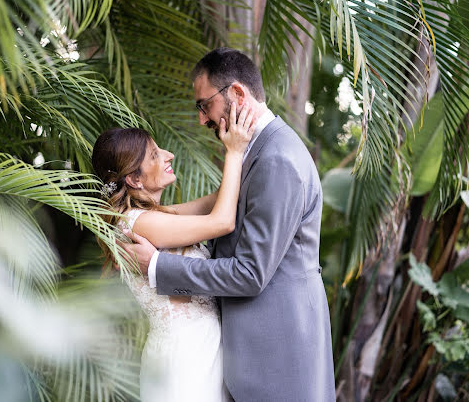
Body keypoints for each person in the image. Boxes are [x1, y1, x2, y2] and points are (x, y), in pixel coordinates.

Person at [121, 47, 336, 401]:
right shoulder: (259, 152)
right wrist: (137, 219)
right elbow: (216, 208)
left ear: (237, 94)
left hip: (279, 352)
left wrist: (159, 266)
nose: (202, 120)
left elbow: (251, 273)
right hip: (234, 358)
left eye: (204, 105)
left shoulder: (276, 158)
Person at [92, 103, 255, 402]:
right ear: (135, 180)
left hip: (198, 349)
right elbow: (222, 221)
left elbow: (221, 200)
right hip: (185, 359)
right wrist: (233, 152)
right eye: (155, 155)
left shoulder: (154, 217)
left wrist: (244, 147)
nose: (169, 155)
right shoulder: (140, 223)